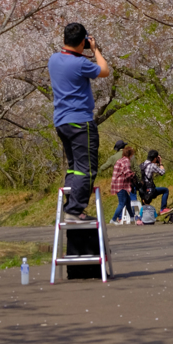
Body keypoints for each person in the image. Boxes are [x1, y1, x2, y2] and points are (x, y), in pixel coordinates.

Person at [48, 21, 110, 219]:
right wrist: (96, 50)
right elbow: (104, 70)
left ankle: (69, 208)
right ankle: (75, 210)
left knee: (74, 167)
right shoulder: (81, 63)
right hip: (81, 122)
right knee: (87, 168)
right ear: (82, 42)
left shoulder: (53, 59)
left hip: (62, 121)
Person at [110, 145, 136, 224]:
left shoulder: (120, 160)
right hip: (121, 185)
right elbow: (127, 173)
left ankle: (132, 218)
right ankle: (113, 219)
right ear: (130, 154)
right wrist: (133, 174)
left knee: (127, 201)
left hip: (116, 184)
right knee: (122, 203)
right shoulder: (126, 162)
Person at [140, 150, 171, 214]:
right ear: (155, 158)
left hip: (142, 190)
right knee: (165, 190)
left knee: (145, 202)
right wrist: (160, 163)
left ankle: (143, 216)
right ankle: (163, 209)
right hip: (151, 189)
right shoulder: (152, 165)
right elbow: (162, 172)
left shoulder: (142, 164)